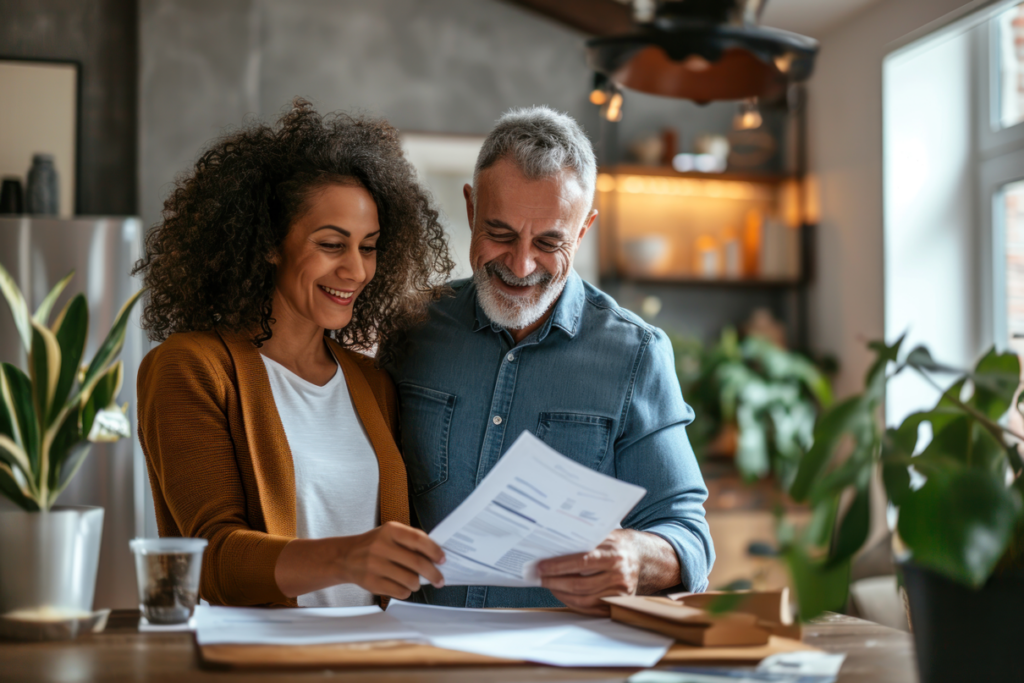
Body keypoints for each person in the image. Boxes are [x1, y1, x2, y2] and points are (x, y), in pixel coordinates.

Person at [388, 106, 715, 615]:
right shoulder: (412, 327)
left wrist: (635, 556)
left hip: (559, 659)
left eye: (548, 242)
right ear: (471, 210)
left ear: (583, 230)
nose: (521, 265)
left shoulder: (637, 355)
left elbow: (689, 536)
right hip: (416, 647)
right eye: (499, 233)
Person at [133, 100, 454, 608]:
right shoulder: (191, 368)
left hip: (376, 659)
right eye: (332, 244)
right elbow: (209, 560)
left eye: (368, 247)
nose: (356, 271)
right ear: (268, 245)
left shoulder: (372, 383)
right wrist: (347, 557)